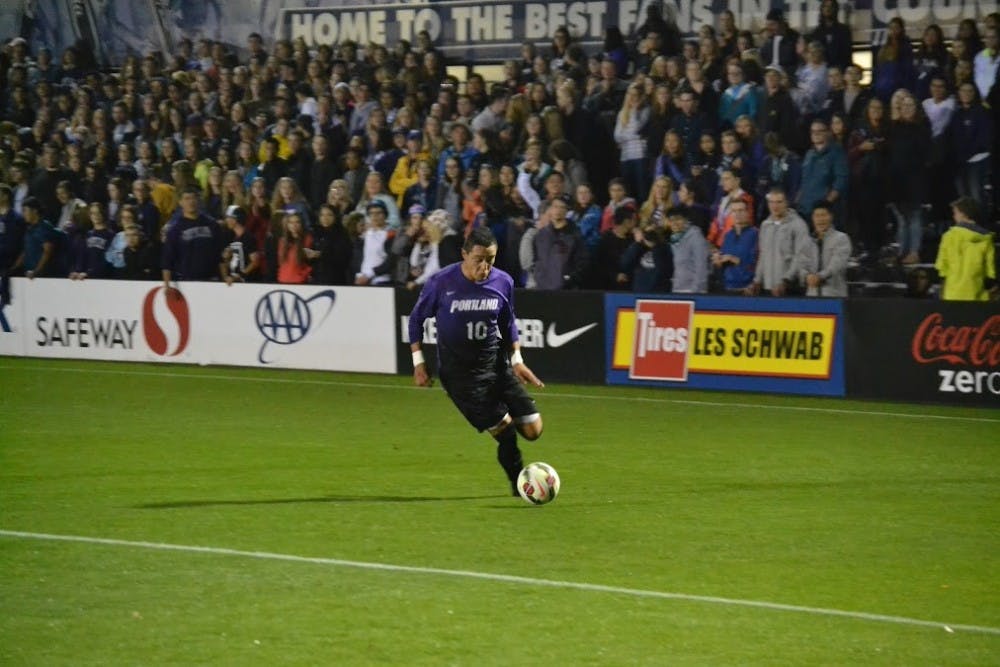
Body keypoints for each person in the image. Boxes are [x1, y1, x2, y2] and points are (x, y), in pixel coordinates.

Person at [408, 226, 545, 496]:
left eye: (490, 259)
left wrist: (517, 359)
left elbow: (508, 322)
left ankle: (501, 408)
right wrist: (418, 362)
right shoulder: (441, 282)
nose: (484, 266)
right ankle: (520, 482)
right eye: (479, 259)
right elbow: (416, 320)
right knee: (505, 432)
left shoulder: (503, 282)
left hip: (496, 366)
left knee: (533, 430)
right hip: (462, 379)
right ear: (464, 254)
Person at [747, 187, 811, 296]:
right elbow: (763, 255)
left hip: (790, 289)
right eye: (771, 202)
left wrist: (786, 281)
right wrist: (757, 280)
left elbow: (801, 256)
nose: (775, 206)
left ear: (786, 203)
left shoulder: (798, 225)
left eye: (779, 202)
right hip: (768, 287)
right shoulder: (765, 225)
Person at [161, 186, 225, 288]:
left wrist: (225, 277)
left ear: (199, 201)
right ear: (180, 202)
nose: (191, 202)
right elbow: (167, 260)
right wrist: (167, 285)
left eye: (193, 198)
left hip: (212, 280)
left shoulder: (212, 225)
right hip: (187, 282)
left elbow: (220, 254)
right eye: (187, 199)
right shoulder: (175, 230)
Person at [935, 196, 996, 301]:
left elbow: (942, 265)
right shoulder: (986, 238)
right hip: (977, 294)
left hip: (952, 294)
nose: (954, 216)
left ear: (963, 214)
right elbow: (990, 269)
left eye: (955, 213)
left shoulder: (949, 236)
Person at [795, 202, 851, 297]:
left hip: (834, 296)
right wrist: (807, 276)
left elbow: (837, 264)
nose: (820, 219)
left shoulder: (841, 238)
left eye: (823, 215)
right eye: (817, 216)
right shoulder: (807, 241)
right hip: (812, 295)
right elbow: (801, 263)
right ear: (812, 218)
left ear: (831, 217)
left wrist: (820, 277)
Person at [713, 198, 758, 292]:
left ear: (748, 212)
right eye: (733, 211)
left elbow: (757, 263)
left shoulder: (756, 234)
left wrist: (735, 260)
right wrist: (718, 260)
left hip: (747, 289)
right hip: (728, 287)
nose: (737, 214)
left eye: (741, 210)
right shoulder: (728, 235)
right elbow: (723, 260)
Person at [667, 208, 710, 293]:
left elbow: (701, 265)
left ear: (686, 219)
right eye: (671, 220)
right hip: (678, 289)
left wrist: (696, 290)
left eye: (678, 219)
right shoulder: (674, 238)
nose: (674, 223)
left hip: (693, 291)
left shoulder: (696, 237)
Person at [220, 205, 262, 284]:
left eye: (228, 217)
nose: (226, 220)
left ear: (235, 219)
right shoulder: (232, 237)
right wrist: (227, 258)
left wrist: (240, 275)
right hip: (234, 281)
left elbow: (255, 262)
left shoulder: (248, 238)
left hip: (247, 282)